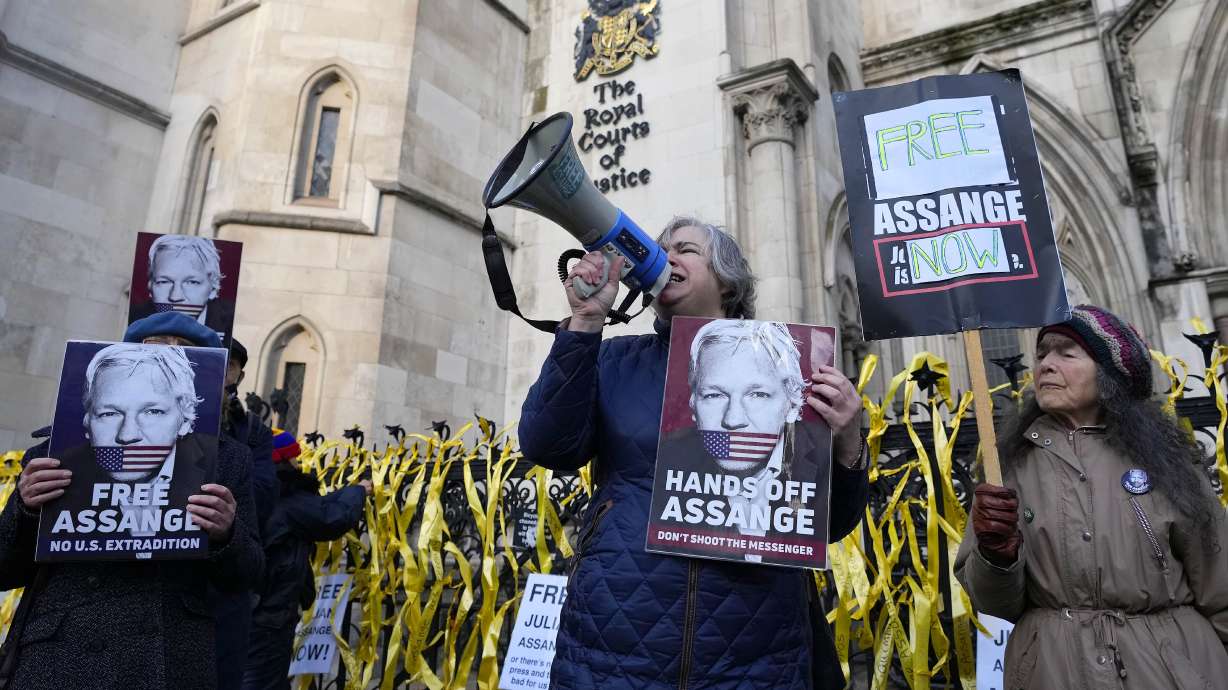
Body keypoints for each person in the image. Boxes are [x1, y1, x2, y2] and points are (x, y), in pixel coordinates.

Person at [519, 216, 870, 688]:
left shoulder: (791, 366)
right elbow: (547, 445)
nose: (665, 257)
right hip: (616, 637)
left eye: (684, 249)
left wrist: (849, 439)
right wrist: (584, 323)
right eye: (659, 250)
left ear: (726, 280)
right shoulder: (614, 359)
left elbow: (831, 525)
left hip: (754, 648)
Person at [955, 304, 1228, 689]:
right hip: (1052, 671)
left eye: (1066, 353)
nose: (1047, 364)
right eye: (1042, 353)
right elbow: (994, 607)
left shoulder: (1168, 464)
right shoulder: (1010, 467)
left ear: (1111, 375)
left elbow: (1220, 585)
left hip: (1169, 671)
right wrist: (997, 556)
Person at [0, 312, 264, 690]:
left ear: (188, 409)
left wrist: (226, 535)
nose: (128, 433)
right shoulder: (50, 458)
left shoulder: (228, 460)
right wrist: (26, 510)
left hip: (165, 660)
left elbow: (249, 576)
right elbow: (4, 569)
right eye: (110, 412)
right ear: (90, 416)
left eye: (154, 410)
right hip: (58, 659)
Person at [652, 319, 833, 548]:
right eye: (714, 396)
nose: (733, 419)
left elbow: (837, 528)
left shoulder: (823, 453)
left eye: (757, 394)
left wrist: (850, 446)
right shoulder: (667, 462)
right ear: (693, 405)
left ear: (792, 405)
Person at [241, 430, 370, 690]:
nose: (300, 464)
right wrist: (359, 491)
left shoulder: (259, 494)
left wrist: (350, 491)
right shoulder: (286, 501)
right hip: (269, 616)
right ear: (284, 461)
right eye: (295, 458)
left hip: (250, 610)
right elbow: (331, 517)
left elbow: (316, 506)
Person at [211, 337, 279, 690]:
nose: (221, 373)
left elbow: (262, 499)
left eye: (230, 366)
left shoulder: (251, 432)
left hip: (221, 587)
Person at [129, 234, 235, 343]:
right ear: (150, 286)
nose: (175, 296)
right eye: (164, 282)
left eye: (191, 282)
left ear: (213, 288)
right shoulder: (133, 318)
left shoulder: (232, 323)